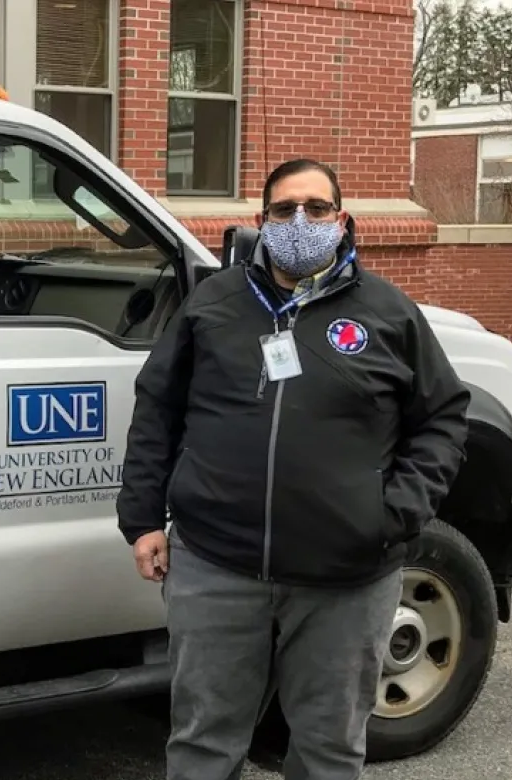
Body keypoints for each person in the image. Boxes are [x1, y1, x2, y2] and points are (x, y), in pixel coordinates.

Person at [116, 159, 470, 780]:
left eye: (316, 208)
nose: (300, 221)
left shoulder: (389, 313)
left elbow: (443, 417)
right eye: (284, 210)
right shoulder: (214, 304)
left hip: (347, 579)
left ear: (343, 221)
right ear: (261, 222)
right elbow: (158, 408)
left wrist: (394, 513)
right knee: (202, 744)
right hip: (216, 565)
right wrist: (143, 519)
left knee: (329, 750)